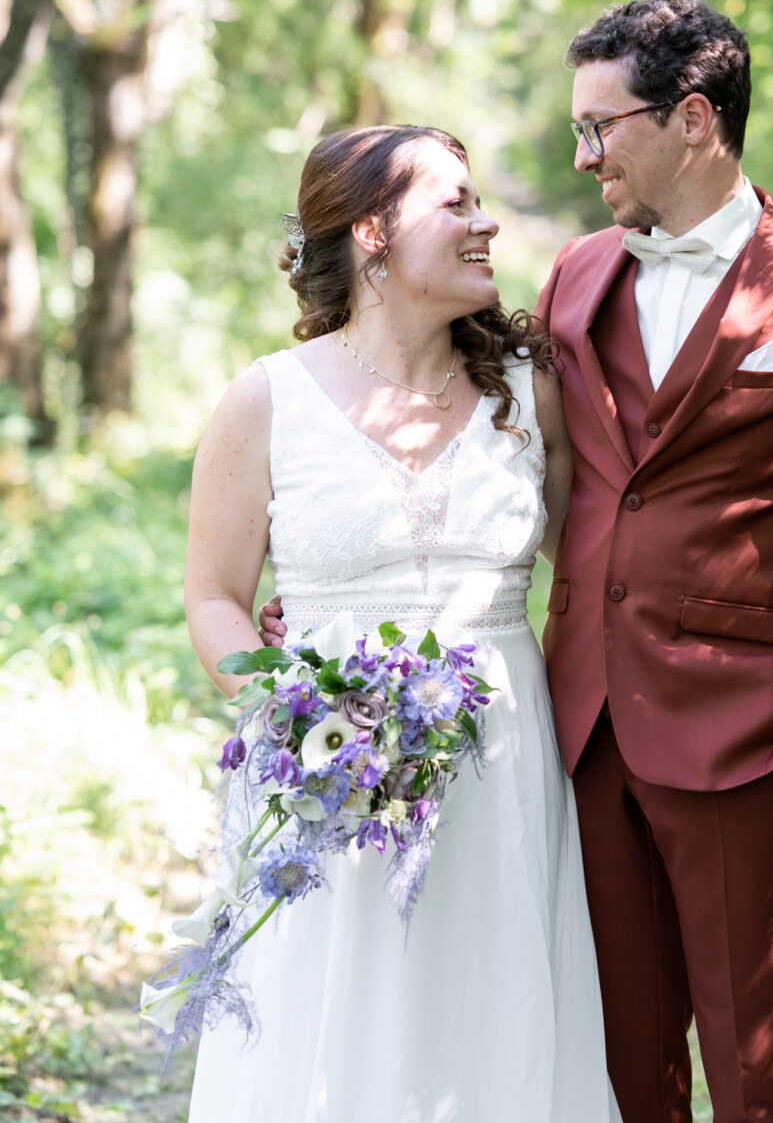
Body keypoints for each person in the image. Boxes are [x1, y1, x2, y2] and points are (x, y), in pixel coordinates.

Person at [262, 0, 773, 1122]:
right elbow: (516, 477)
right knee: (614, 1059)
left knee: (752, 1069)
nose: (585, 154)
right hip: (580, 735)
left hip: (751, 734)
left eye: (602, 128)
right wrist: (337, 591)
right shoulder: (579, 277)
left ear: (692, 121)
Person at [184, 124, 620, 1123]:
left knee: (494, 1008)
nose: (487, 222)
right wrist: (298, 714)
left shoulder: (527, 391)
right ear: (374, 232)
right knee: (335, 1021)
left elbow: (604, 559)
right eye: (456, 203)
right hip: (331, 776)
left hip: (502, 772)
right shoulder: (266, 401)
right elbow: (213, 592)